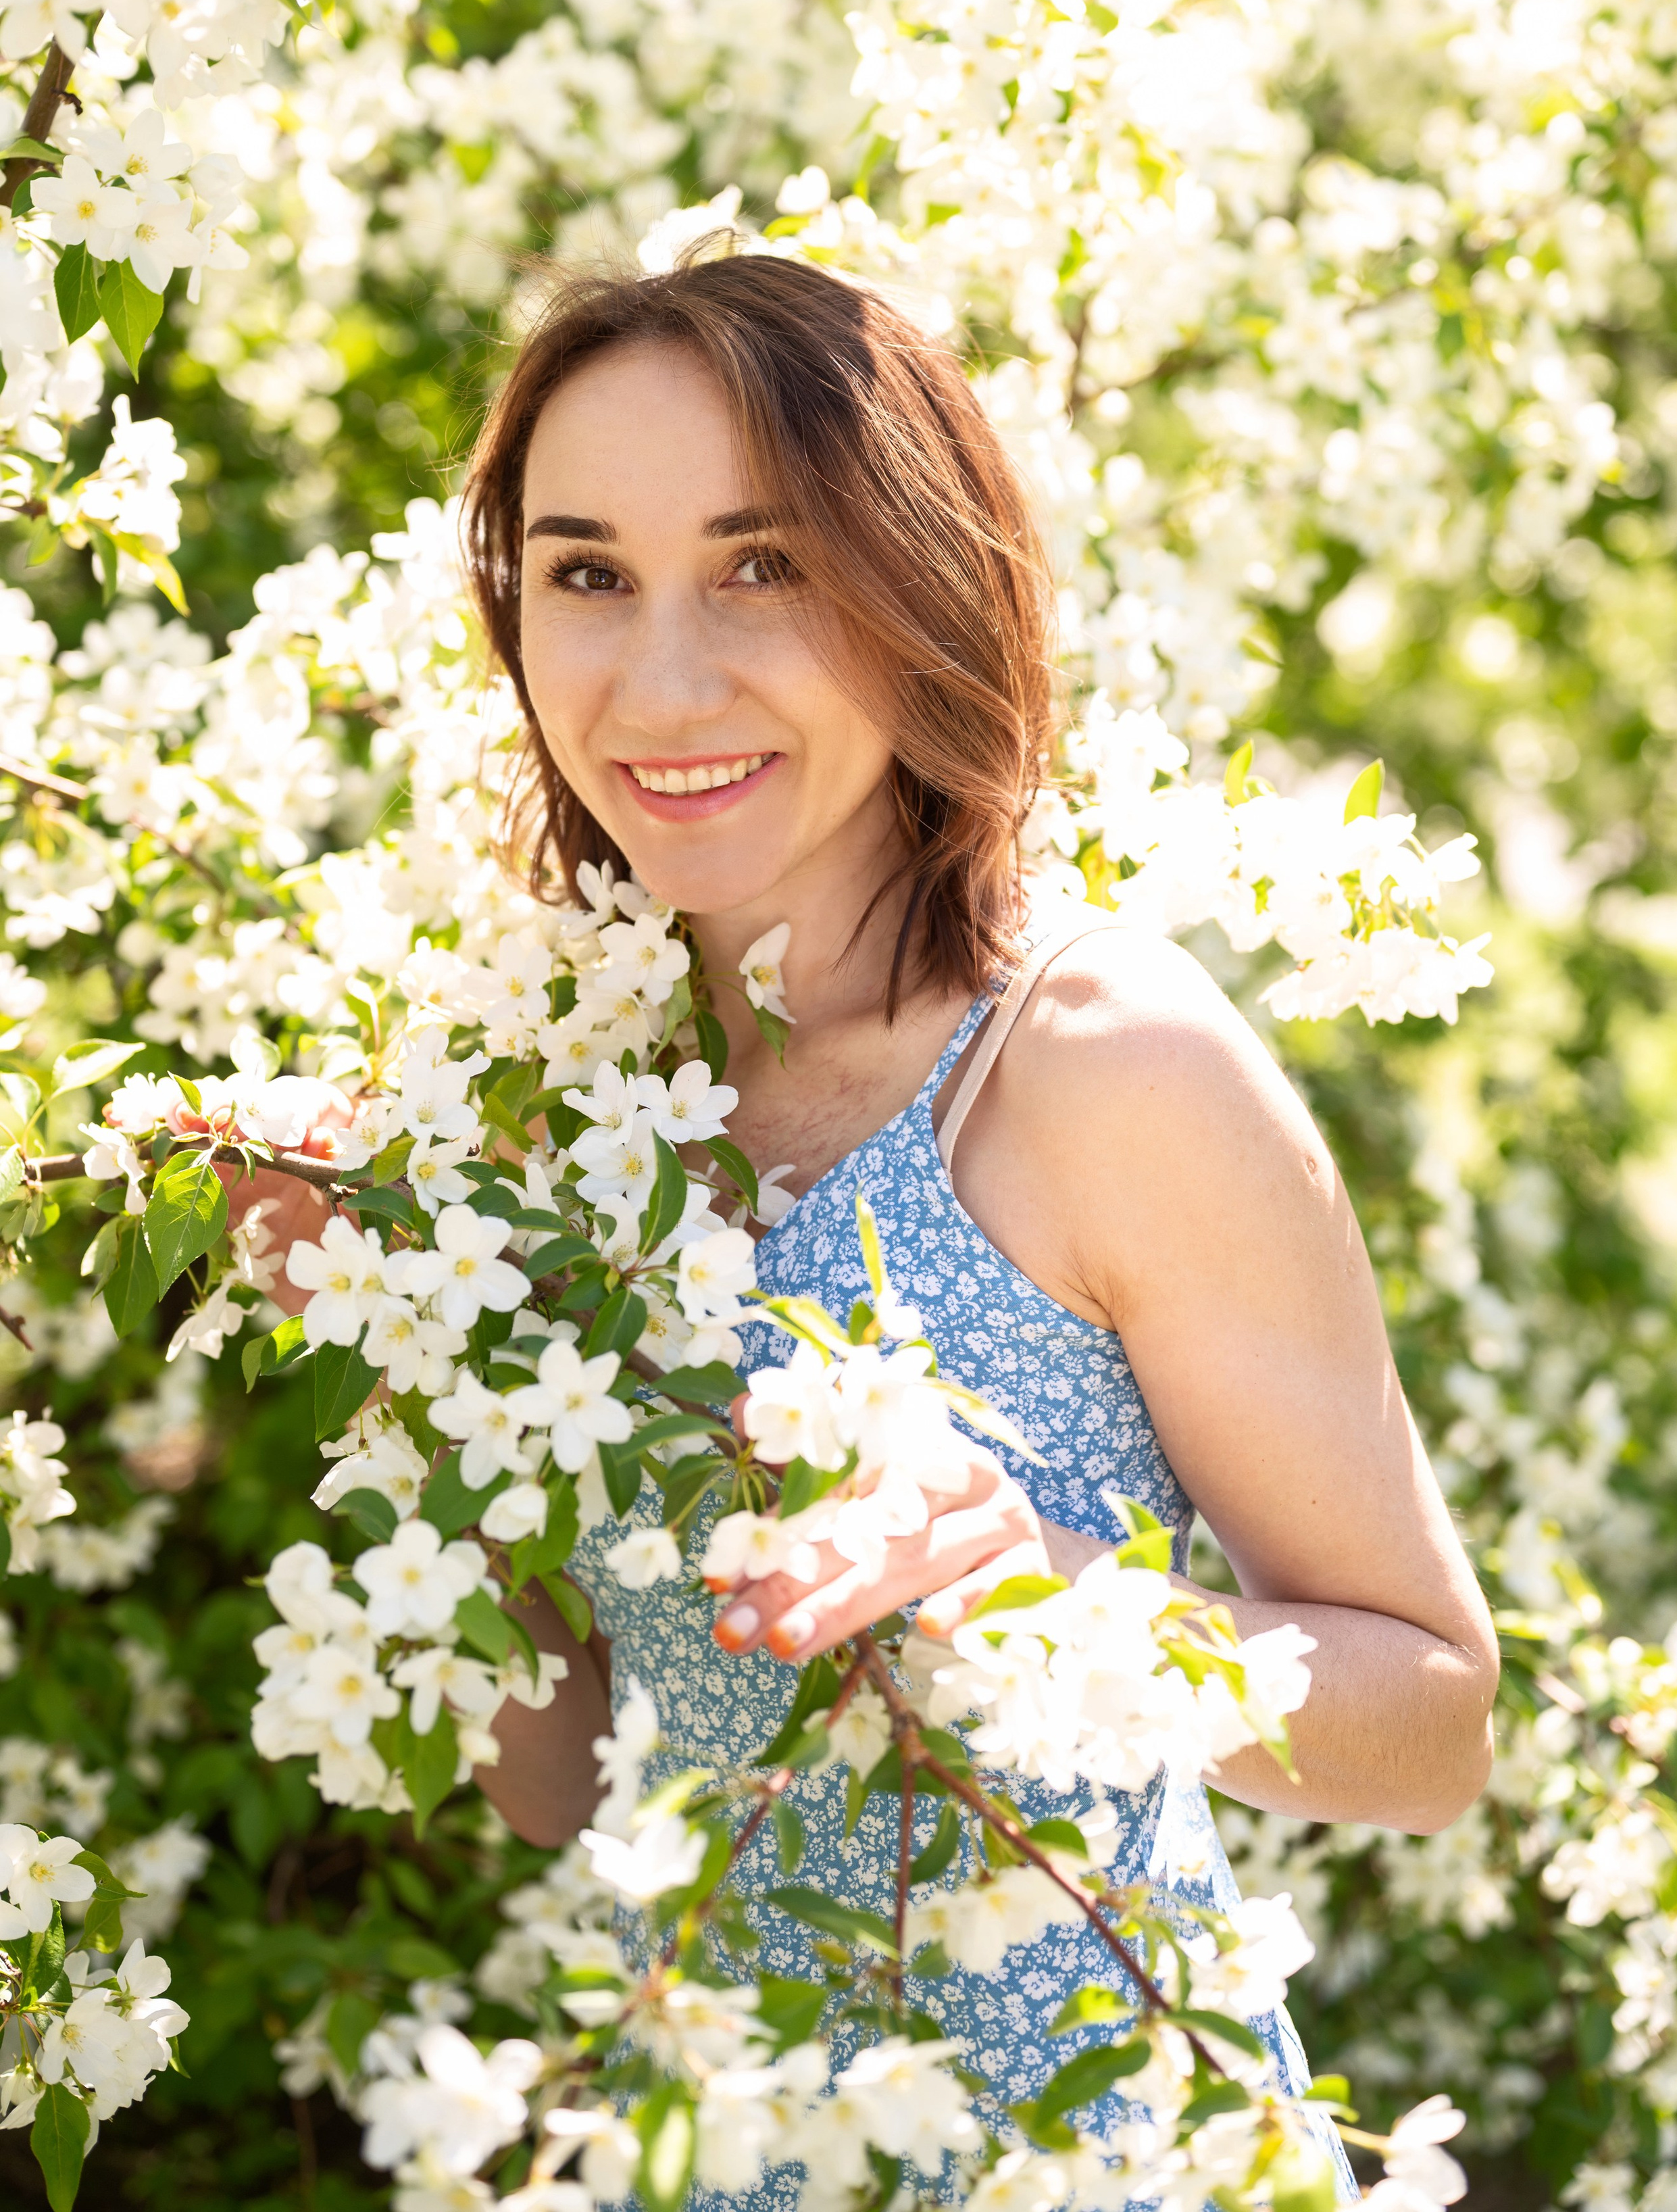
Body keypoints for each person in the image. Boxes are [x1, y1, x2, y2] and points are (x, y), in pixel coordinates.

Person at [249, 250, 1498, 2188]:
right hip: (719, 2145)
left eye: (765, 563)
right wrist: (411, 1337)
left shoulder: (1102, 1063)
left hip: (1094, 2154)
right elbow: (556, 1780)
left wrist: (1046, 1598)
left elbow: (1434, 1723)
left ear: (919, 578)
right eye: (587, 572)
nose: (661, 681)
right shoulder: (548, 1086)